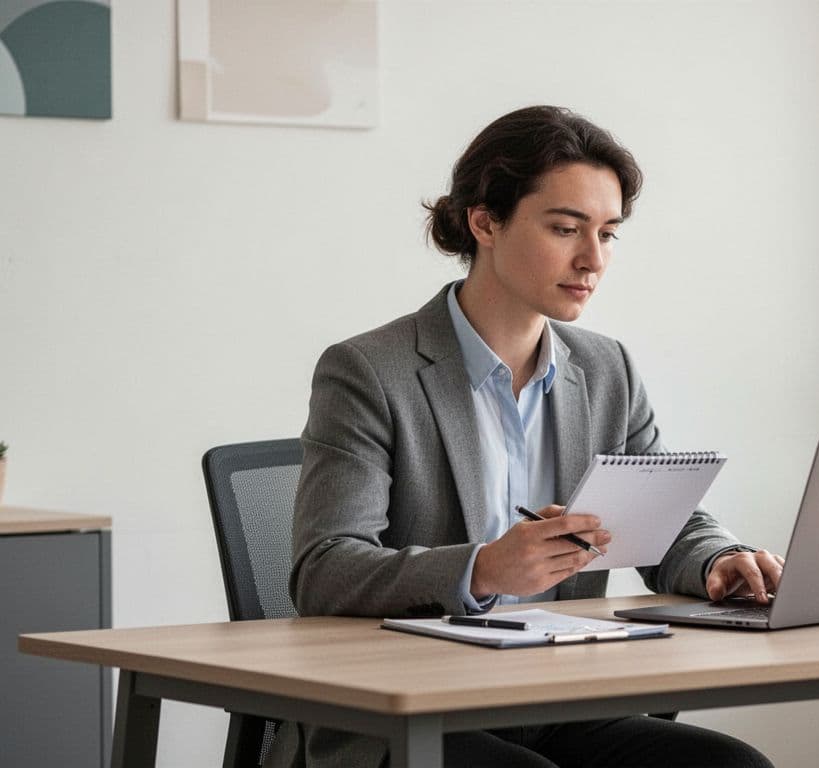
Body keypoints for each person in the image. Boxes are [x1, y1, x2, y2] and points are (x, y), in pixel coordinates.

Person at [268, 105, 782, 768]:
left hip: (556, 703)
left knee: (731, 767)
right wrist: (482, 568)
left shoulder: (605, 368)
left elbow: (663, 522)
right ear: (485, 222)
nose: (592, 259)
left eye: (607, 233)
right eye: (566, 228)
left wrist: (718, 562)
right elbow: (325, 570)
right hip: (410, 712)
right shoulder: (370, 371)